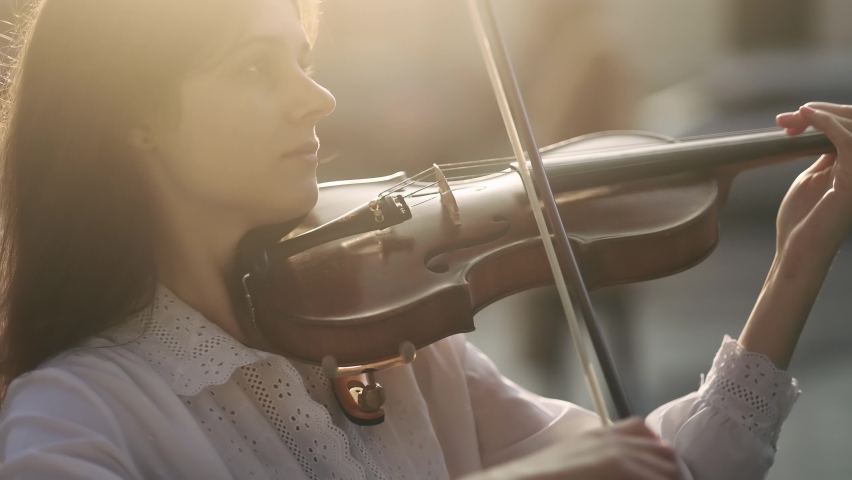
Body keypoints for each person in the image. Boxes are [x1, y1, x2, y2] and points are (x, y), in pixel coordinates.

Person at [0, 1, 848, 479]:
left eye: (301, 59)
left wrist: (796, 265)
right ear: (133, 118)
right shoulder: (77, 415)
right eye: (257, 71)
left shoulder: (383, 331)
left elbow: (661, 469)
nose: (317, 100)